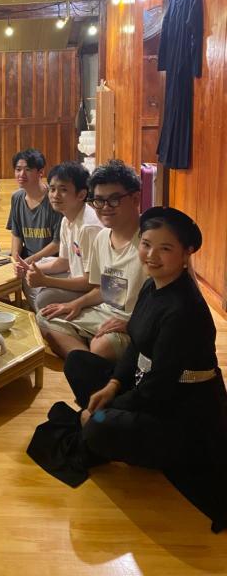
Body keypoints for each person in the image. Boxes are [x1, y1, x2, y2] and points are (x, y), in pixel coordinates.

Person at [53, 208, 227, 532]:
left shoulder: (183, 311)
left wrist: (108, 408)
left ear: (186, 254)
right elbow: (135, 345)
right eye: (146, 244)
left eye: (165, 248)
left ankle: (110, 428)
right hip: (145, 385)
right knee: (78, 362)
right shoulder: (152, 286)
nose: (151, 255)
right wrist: (113, 385)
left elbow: (160, 389)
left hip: (182, 408)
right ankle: (107, 421)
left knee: (99, 426)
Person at [38, 160, 145, 361]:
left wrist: (133, 325)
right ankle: (89, 364)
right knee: (46, 316)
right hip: (106, 313)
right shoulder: (103, 238)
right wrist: (76, 304)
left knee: (101, 345)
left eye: (114, 200)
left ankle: (92, 363)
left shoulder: (151, 242)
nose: (105, 207)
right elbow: (108, 291)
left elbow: (174, 303)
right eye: (99, 200)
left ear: (135, 198)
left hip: (138, 323)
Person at [15, 161, 103, 311]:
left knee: (44, 299)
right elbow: (64, 262)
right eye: (52, 189)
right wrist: (29, 268)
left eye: (63, 190)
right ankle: (43, 313)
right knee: (31, 272)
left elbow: (91, 283)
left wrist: (46, 281)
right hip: (74, 276)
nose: (55, 195)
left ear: (81, 194)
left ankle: (44, 315)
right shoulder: (66, 220)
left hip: (91, 290)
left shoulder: (88, 227)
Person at [7, 149, 63, 263]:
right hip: (27, 259)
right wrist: (15, 260)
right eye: (18, 169)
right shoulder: (16, 198)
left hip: (51, 262)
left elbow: (57, 243)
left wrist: (28, 262)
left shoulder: (55, 199)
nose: (21, 174)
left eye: (27, 169)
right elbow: (16, 235)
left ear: (40, 172)